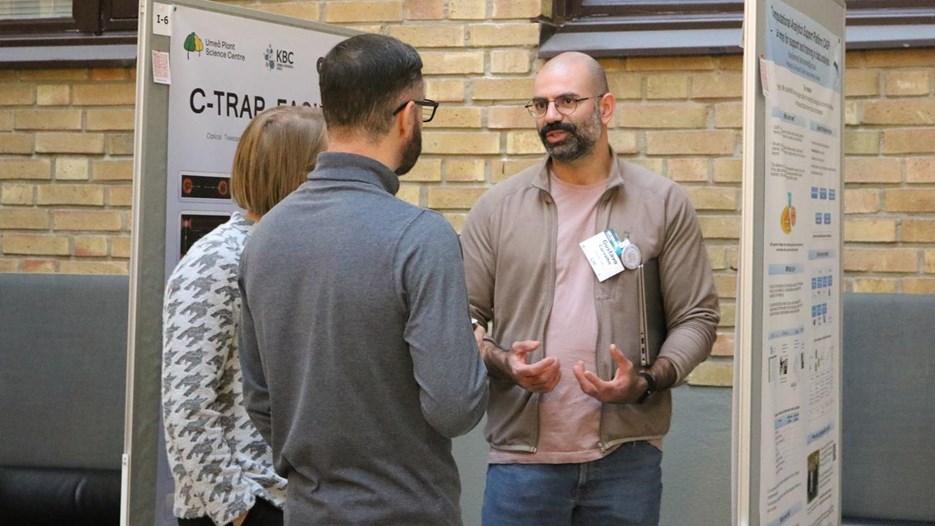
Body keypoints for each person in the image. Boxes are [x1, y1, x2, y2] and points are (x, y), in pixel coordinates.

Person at [459, 51, 720, 526]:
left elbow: (696, 317)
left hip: (627, 459)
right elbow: (463, 319)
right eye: (540, 105)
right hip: (522, 462)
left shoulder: (661, 203)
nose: (551, 116)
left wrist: (645, 381)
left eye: (566, 101)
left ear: (605, 108)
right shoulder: (497, 208)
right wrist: (504, 362)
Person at [237, 34, 488, 525]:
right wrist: (470, 351)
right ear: (407, 115)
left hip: (308, 510)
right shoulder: (422, 236)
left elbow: (261, 400)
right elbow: (455, 408)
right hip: (409, 511)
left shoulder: (263, 238)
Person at [162, 105, 327, 526]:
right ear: (300, 174)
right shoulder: (215, 261)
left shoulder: (300, 250)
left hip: (301, 502)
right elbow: (186, 404)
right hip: (245, 507)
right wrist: (239, 510)